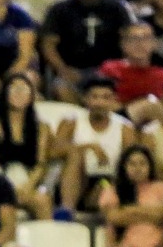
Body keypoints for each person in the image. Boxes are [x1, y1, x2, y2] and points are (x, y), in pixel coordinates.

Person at [40, 0, 131, 102]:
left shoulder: (117, 8)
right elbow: (48, 45)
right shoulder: (59, 10)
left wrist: (117, 68)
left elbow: (129, 40)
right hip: (73, 71)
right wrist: (62, 69)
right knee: (61, 88)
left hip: (110, 72)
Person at [57, 76, 135, 215]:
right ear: (85, 99)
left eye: (106, 98)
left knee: (104, 186)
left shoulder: (125, 128)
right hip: (74, 179)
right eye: (94, 97)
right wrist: (89, 147)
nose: (100, 103)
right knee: (75, 154)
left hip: (109, 180)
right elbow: (53, 151)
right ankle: (67, 210)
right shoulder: (71, 122)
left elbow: (131, 160)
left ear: (114, 100)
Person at [0, 74, 54, 221]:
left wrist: (28, 186)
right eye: (13, 88)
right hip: (0, 180)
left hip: (27, 180)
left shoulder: (42, 128)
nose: (19, 92)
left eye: (24, 89)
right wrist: (7, 188)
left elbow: (41, 164)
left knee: (43, 200)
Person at [98, 23, 163, 122]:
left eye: (146, 38)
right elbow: (101, 101)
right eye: (133, 39)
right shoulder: (111, 69)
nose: (139, 44)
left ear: (155, 44)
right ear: (123, 45)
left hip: (155, 124)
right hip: (117, 121)